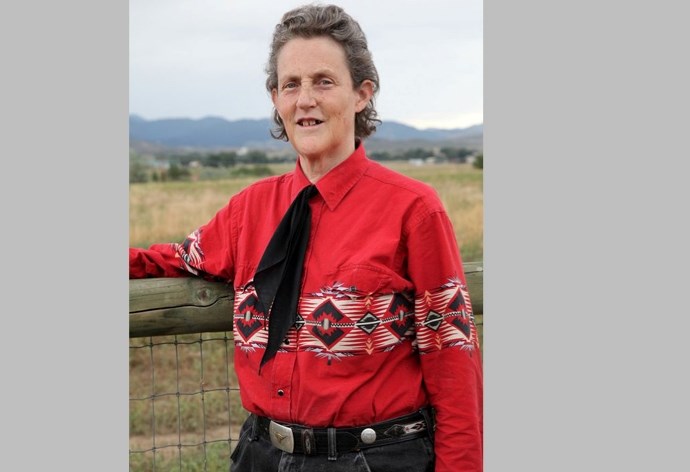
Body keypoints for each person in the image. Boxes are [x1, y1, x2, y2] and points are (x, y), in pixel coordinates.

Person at [130, 4, 482, 471]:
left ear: (362, 94)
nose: (305, 99)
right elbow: (173, 259)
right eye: (290, 84)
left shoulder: (413, 210)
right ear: (275, 98)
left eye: (323, 81)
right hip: (260, 455)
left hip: (375, 459)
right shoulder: (248, 210)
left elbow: (452, 357)